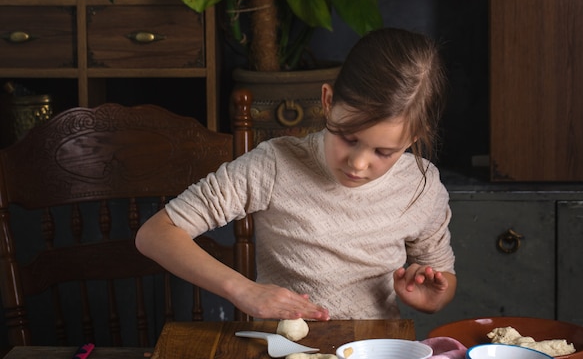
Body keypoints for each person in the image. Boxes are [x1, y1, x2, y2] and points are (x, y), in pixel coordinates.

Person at [135, 27, 456, 322]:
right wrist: (243, 289)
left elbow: (443, 275)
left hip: (376, 355)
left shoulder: (421, 185)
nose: (358, 163)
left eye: (383, 152)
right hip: (282, 354)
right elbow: (156, 233)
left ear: (414, 137)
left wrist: (430, 298)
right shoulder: (275, 165)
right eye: (347, 137)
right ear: (328, 102)